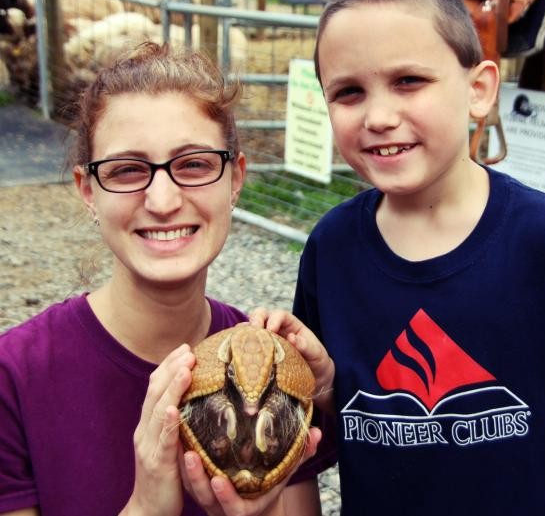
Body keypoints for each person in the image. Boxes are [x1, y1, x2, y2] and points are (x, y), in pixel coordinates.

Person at [258, 0, 545, 515]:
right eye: (349, 92)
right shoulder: (331, 250)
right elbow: (319, 423)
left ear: (479, 90)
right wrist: (311, 386)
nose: (378, 116)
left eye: (408, 81)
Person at [0, 42, 329, 516]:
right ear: (88, 191)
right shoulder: (14, 380)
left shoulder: (282, 371)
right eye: (128, 170)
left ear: (235, 179)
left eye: (193, 164)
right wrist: (147, 506)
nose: (162, 199)